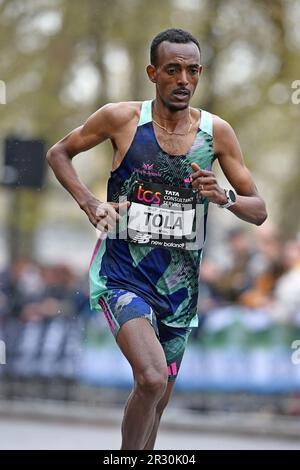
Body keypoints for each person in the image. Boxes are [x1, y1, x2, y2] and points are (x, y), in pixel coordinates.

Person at [46, 28, 267, 449]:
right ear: (153, 73)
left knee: (158, 398)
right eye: (173, 70)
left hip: (179, 291)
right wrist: (91, 203)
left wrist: (224, 196)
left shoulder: (216, 133)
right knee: (150, 378)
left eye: (192, 70)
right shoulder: (122, 119)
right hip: (122, 277)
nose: (183, 80)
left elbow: (259, 209)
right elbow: (59, 153)